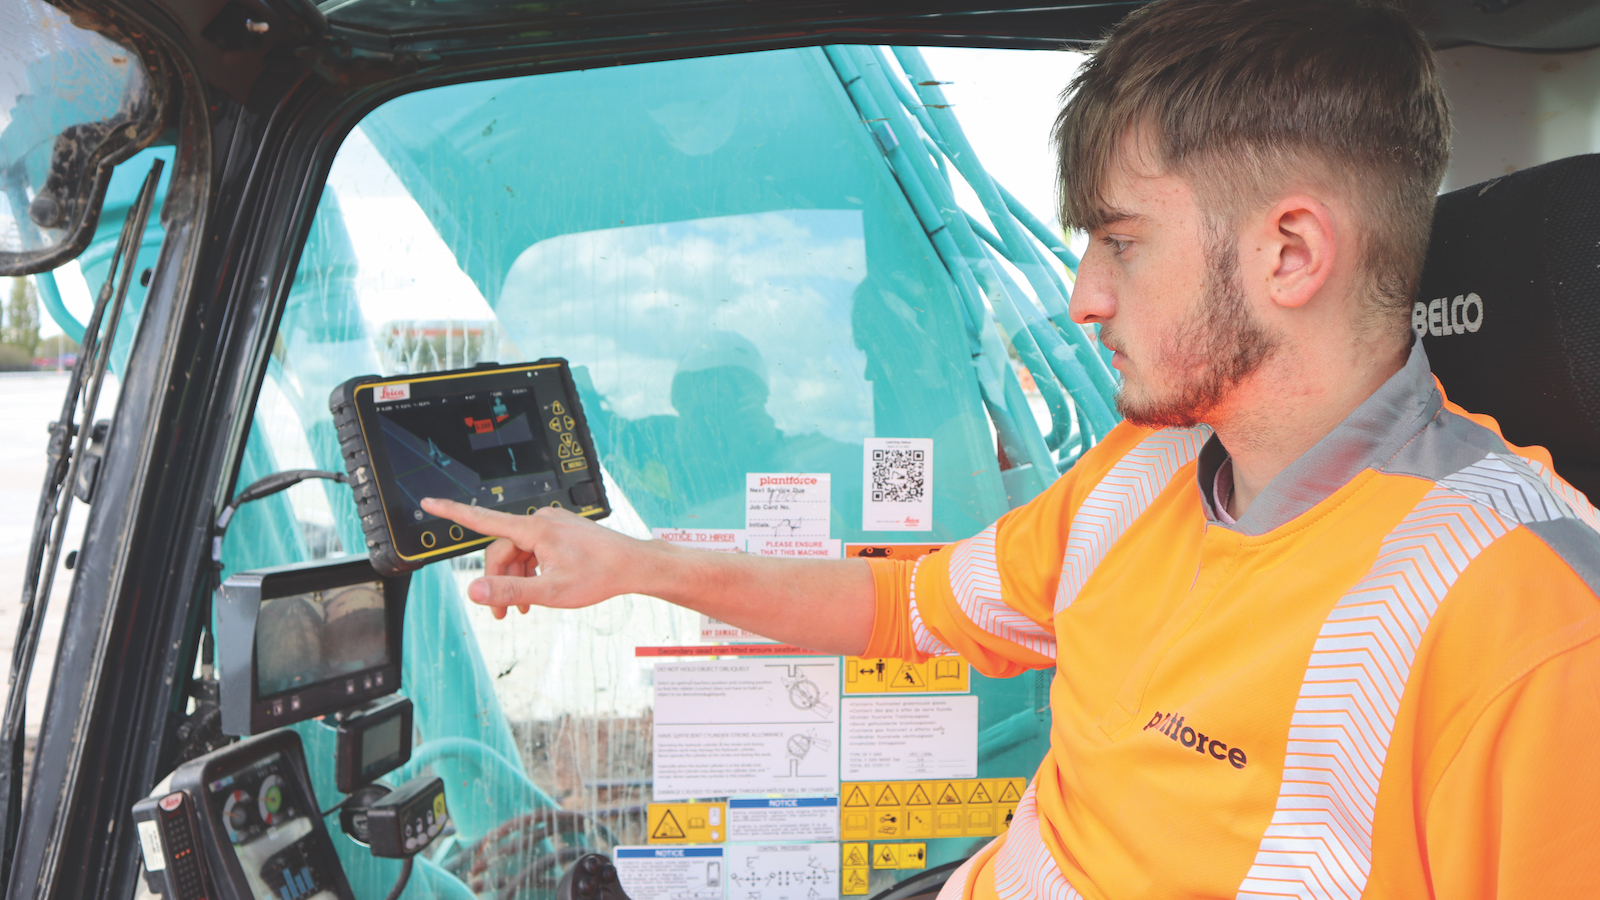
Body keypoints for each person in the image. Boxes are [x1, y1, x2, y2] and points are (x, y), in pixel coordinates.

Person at [424, 0, 1600, 895]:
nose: (1084, 296)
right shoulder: (1139, 477)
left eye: (1122, 243)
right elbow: (906, 611)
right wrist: (631, 566)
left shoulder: (1522, 614)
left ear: (1289, 253)